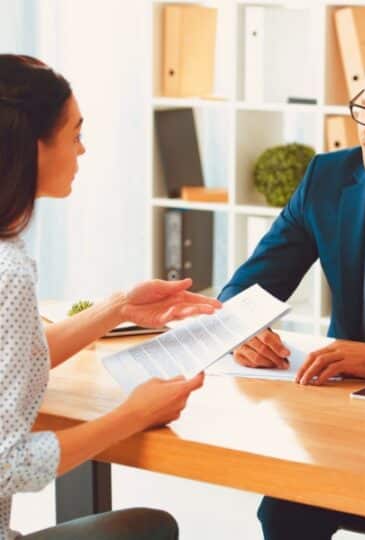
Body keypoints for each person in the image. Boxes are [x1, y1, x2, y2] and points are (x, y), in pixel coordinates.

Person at [218, 33, 365, 539]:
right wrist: (243, 331)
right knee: (283, 512)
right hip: (344, 411)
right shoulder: (328, 178)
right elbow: (248, 287)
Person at [0, 54, 221, 540]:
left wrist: (118, 308)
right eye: (75, 134)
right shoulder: (8, 270)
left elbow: (13, 362)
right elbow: (8, 465)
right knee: (150, 529)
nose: (83, 150)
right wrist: (133, 414)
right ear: (31, 147)